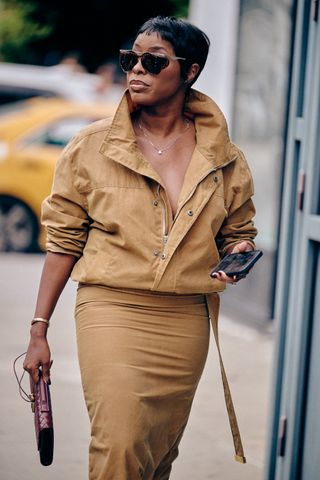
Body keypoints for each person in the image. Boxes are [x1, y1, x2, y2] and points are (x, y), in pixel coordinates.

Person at [23, 16, 257, 480]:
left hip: (186, 317)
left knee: (155, 454)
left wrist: (239, 254)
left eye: (154, 62)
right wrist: (38, 330)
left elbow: (238, 230)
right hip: (112, 306)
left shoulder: (224, 157)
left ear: (189, 73)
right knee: (120, 445)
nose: (137, 72)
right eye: (131, 59)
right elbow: (64, 240)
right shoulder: (89, 147)